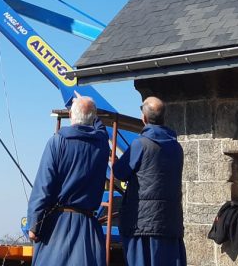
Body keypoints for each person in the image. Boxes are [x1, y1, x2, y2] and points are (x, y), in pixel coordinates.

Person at [27, 96, 111, 266]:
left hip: (58, 226)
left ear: (71, 115)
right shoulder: (102, 144)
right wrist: (90, 111)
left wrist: (34, 223)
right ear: (93, 118)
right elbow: (100, 128)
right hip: (88, 228)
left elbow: (43, 186)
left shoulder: (57, 142)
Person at [113, 97, 186, 266]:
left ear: (144, 118)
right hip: (170, 222)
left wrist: (114, 161)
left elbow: (120, 173)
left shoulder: (141, 144)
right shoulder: (176, 147)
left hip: (142, 224)